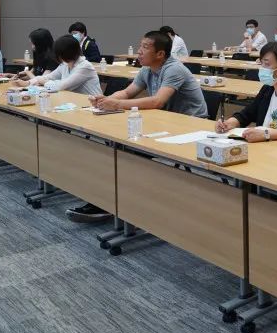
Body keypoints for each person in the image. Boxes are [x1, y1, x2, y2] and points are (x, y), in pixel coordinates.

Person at [74, 31, 207, 223]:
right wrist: (105, 100)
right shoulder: (147, 69)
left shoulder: (174, 69)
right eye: (140, 46)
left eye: (145, 47)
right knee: (119, 147)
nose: (139, 51)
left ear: (160, 54)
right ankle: (109, 201)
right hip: (166, 122)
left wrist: (116, 105)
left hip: (191, 126)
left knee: (129, 151)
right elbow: (127, 92)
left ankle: (122, 203)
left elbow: (157, 101)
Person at [215, 40, 277, 142]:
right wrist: (230, 123)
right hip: (264, 145)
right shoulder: (268, 89)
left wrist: (266, 134)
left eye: (267, 64)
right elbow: (248, 113)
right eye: (262, 64)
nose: (262, 69)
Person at [29, 34, 103, 96]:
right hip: (74, 102)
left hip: (93, 104)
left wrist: (45, 82)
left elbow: (62, 86)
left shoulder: (85, 67)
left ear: (64, 53)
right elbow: (49, 77)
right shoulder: (65, 64)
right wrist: (28, 82)